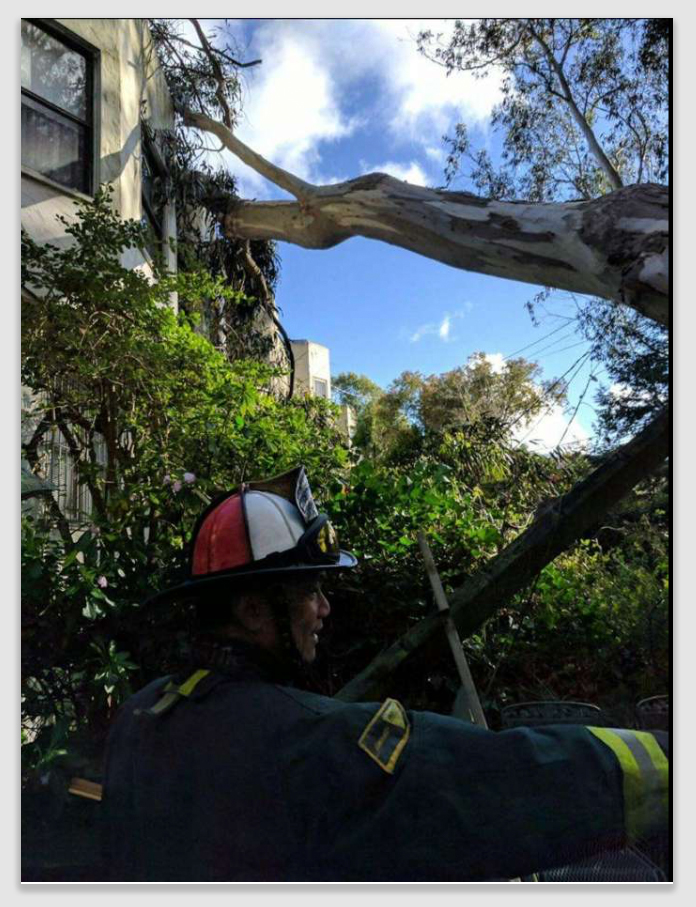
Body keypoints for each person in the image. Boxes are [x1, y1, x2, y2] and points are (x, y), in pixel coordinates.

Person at [102, 466, 669, 882]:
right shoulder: (311, 742)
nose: (324, 608)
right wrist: (668, 760)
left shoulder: (144, 713)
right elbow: (498, 781)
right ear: (252, 611)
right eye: (310, 591)